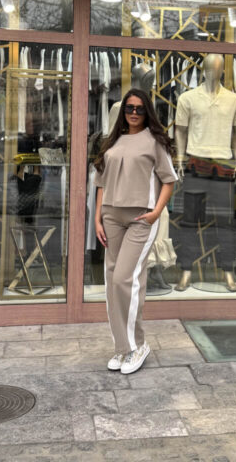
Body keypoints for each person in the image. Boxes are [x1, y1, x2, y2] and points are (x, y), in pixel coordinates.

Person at [94, 88, 178, 374]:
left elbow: (169, 180)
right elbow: (101, 183)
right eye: (129, 108)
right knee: (112, 281)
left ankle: (137, 345)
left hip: (141, 218)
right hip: (111, 217)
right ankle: (122, 347)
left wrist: (156, 213)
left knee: (125, 279)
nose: (133, 113)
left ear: (147, 112)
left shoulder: (155, 142)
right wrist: (98, 219)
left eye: (139, 109)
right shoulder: (112, 141)